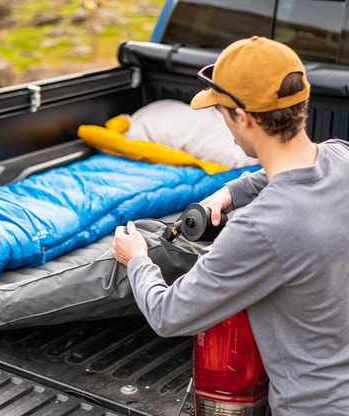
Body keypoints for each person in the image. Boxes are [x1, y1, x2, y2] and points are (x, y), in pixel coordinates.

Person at [112, 36, 349, 415]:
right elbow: (295, 170)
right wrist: (229, 192)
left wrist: (137, 258)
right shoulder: (342, 156)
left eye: (221, 113)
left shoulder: (261, 229)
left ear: (244, 117)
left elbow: (168, 316)